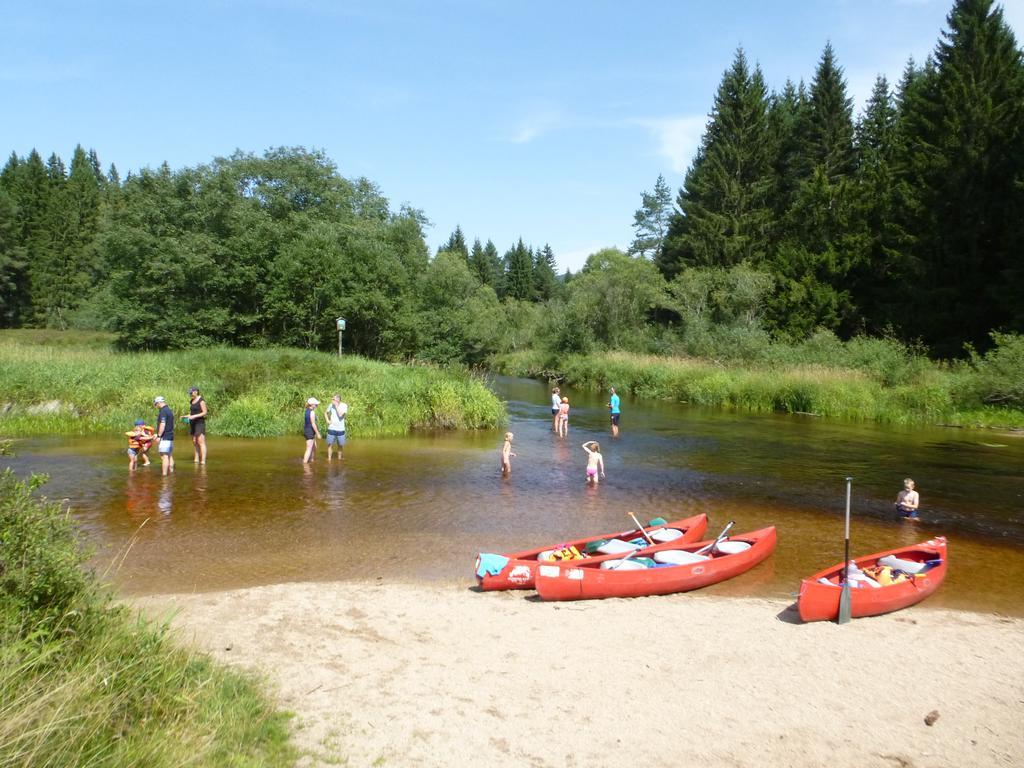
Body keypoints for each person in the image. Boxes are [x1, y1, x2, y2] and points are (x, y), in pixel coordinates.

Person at [183, 386, 208, 464]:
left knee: (201, 442)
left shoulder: (201, 401)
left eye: (191, 393)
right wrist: (187, 416)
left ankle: (203, 460)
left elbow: (205, 412)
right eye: (189, 393)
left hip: (199, 423)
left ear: (196, 392)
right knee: (194, 441)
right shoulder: (192, 401)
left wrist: (194, 416)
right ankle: (196, 458)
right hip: (193, 423)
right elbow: (192, 412)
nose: (190, 394)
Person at [153, 396, 175, 476]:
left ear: (159, 403)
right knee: (169, 456)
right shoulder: (169, 410)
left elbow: (163, 424)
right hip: (170, 436)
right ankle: (171, 473)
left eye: (156, 404)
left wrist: (159, 436)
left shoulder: (163, 411)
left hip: (165, 437)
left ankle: (164, 475)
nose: (156, 406)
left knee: (164, 456)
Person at [325, 394, 348, 460]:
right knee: (330, 444)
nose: (332, 400)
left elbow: (340, 415)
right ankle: (329, 459)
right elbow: (325, 413)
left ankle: (339, 459)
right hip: (331, 428)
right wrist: (327, 420)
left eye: (333, 399)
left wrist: (336, 406)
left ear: (337, 400)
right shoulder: (330, 405)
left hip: (341, 429)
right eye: (332, 399)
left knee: (340, 445)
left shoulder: (344, 405)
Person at [303, 397, 322, 463]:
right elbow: (313, 424)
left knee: (314, 447)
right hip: (310, 431)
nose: (317, 405)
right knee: (309, 448)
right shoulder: (312, 412)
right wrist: (318, 433)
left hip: (307, 430)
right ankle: (305, 464)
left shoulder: (307, 410)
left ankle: (312, 460)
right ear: (312, 404)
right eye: (316, 404)